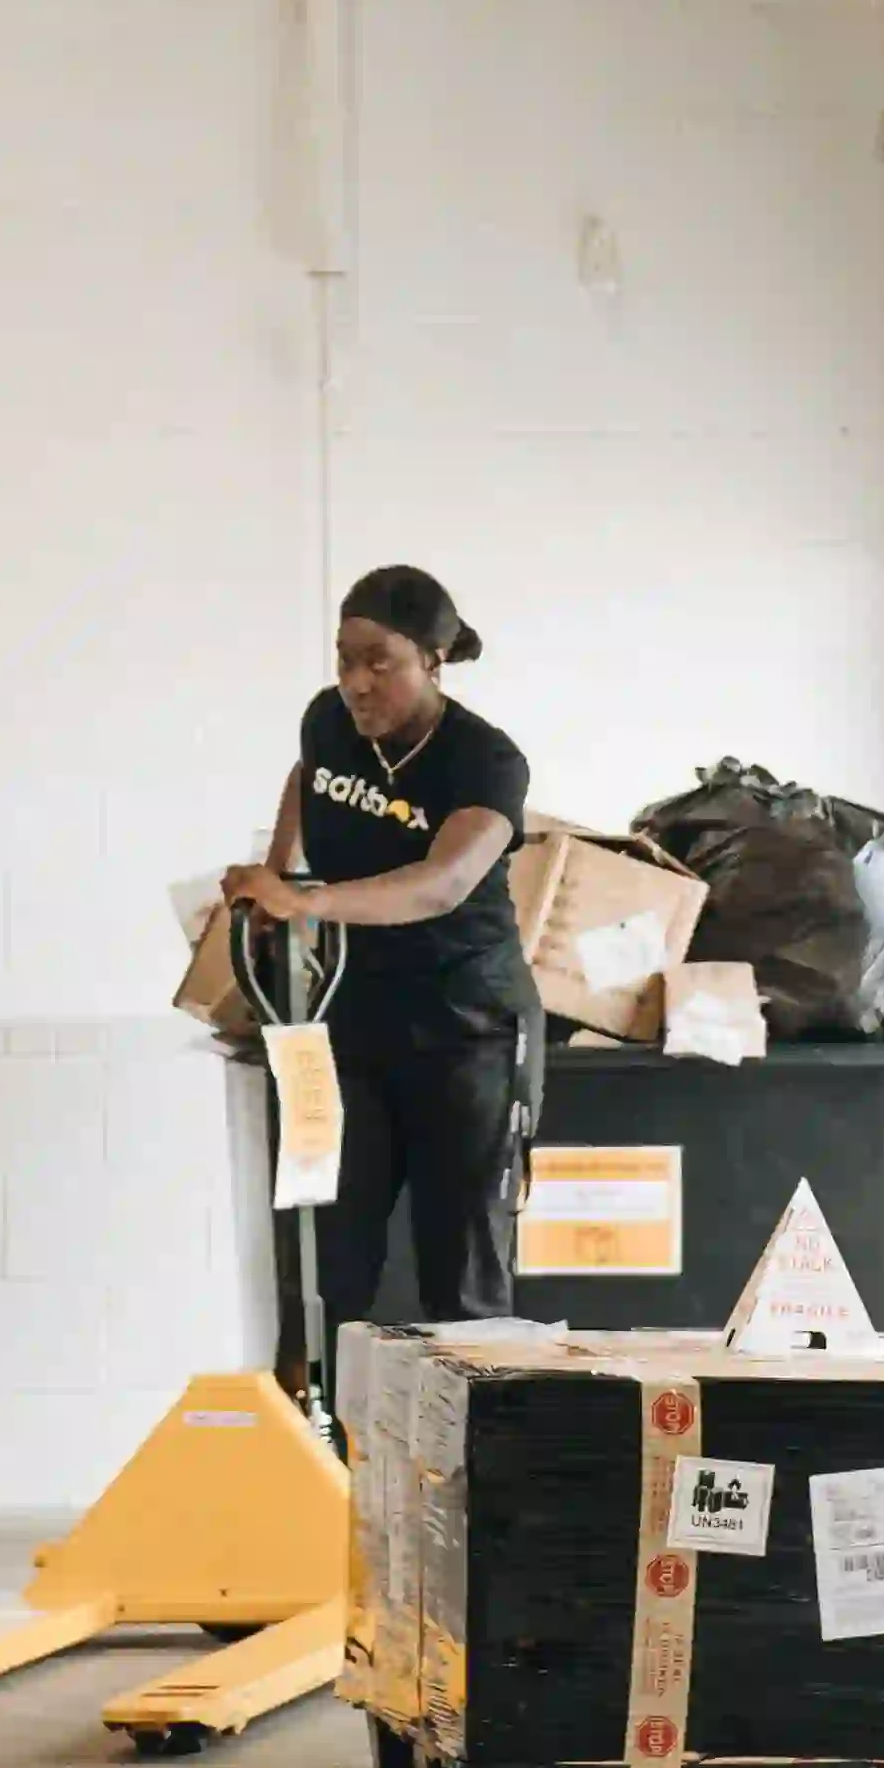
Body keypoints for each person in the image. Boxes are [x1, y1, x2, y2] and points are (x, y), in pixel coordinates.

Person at [224, 561, 538, 1386]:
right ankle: (313, 1464)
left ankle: (471, 1486)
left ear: (433, 661)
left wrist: (310, 903)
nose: (358, 683)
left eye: (380, 662)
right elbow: (308, 778)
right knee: (323, 1260)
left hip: (466, 1027)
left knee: (461, 1272)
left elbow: (443, 883)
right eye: (344, 659)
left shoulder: (484, 759)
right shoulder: (328, 723)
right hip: (349, 1023)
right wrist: (277, 873)